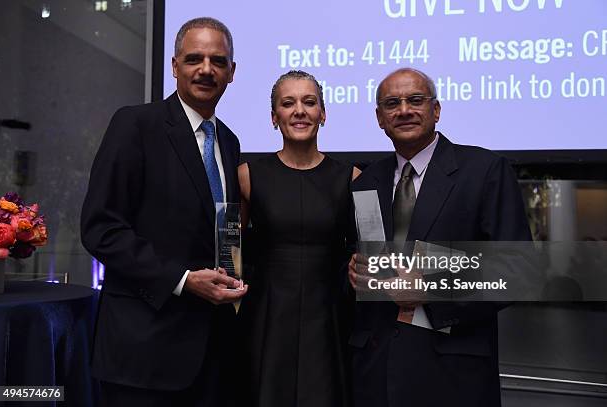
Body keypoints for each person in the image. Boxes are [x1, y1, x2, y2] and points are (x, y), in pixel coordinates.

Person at [81, 17, 247, 406]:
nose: (206, 70)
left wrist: (236, 277)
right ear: (174, 66)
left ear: (232, 73)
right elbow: (100, 228)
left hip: (213, 354)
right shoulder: (135, 125)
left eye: (218, 61)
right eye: (194, 59)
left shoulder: (228, 141)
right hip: (144, 353)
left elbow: (224, 229)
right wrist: (183, 279)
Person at [348, 68, 531, 407]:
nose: (404, 110)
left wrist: (432, 287)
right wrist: (355, 274)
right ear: (379, 118)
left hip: (453, 372)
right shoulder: (365, 182)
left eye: (415, 100)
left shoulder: (485, 171)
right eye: (392, 103)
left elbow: (518, 270)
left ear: (436, 110)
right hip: (375, 371)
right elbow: (366, 263)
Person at [237, 70, 361, 407]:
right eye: (288, 103)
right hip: (266, 319)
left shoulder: (353, 178)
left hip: (330, 321)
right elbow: (228, 254)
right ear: (274, 117)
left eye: (309, 102)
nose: (299, 110)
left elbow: (367, 254)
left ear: (323, 113)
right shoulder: (246, 177)